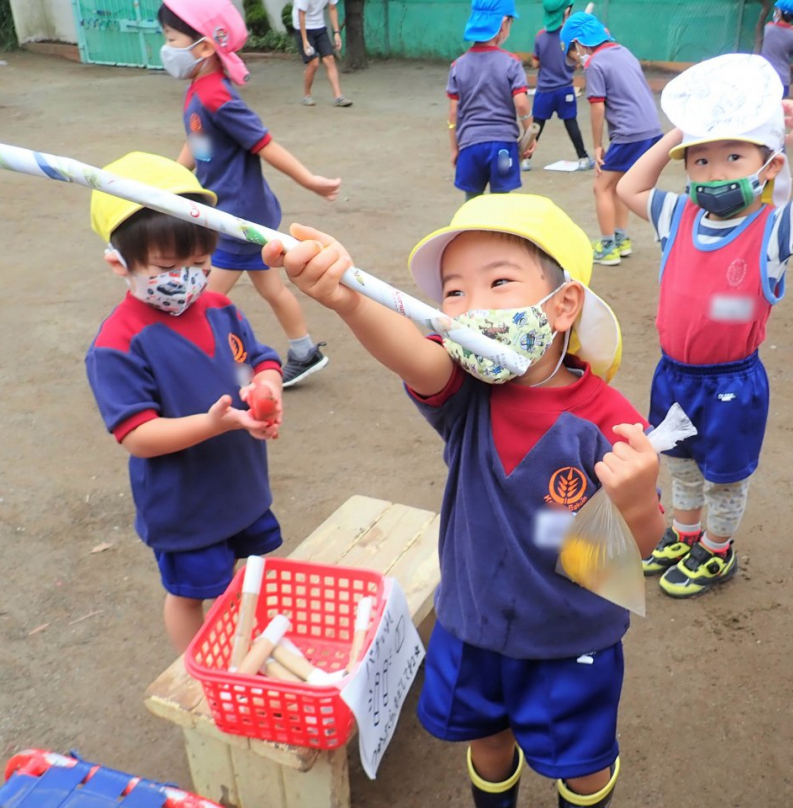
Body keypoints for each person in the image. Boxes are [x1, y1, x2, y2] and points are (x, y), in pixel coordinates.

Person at [263, 193, 663, 808]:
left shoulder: (609, 423)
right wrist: (345, 297)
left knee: (579, 764)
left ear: (563, 305)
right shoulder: (465, 395)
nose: (471, 307)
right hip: (470, 624)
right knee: (487, 737)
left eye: (499, 281)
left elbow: (628, 555)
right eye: (453, 293)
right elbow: (412, 353)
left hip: (569, 641)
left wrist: (636, 503)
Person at [617, 55, 793, 598]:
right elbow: (629, 187)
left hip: (731, 385)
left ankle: (718, 551)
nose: (714, 171)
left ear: (768, 167)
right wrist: (685, 125)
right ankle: (685, 534)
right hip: (673, 375)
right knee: (681, 466)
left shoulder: (773, 229)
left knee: (723, 475)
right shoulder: (678, 217)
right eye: (699, 160)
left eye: (733, 156)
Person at [86, 152, 284, 652]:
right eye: (169, 266)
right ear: (119, 263)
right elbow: (138, 437)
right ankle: (197, 675)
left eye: (200, 263)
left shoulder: (220, 307)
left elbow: (259, 360)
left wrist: (266, 390)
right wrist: (215, 424)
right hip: (185, 507)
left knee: (241, 577)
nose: (189, 277)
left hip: (241, 487)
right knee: (189, 592)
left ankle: (238, 651)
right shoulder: (118, 344)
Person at [159, 0, 339, 387]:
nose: (166, 48)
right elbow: (197, 140)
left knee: (201, 296)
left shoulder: (217, 96)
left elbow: (263, 143)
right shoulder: (198, 88)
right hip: (233, 212)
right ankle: (304, 351)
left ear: (205, 47)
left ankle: (185, 369)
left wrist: (309, 180)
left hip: (239, 218)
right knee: (271, 287)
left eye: (172, 39)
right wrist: (171, 180)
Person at [560, 12, 662, 267]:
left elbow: (597, 107)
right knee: (619, 185)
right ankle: (621, 239)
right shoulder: (623, 52)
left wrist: (597, 146)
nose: (575, 61)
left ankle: (608, 247)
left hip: (629, 134)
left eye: (572, 55)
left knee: (602, 187)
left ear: (578, 44)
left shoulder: (595, 63)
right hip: (651, 130)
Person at [448, 0, 535, 200]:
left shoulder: (458, 65)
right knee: (501, 204)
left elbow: (453, 113)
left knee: (472, 203)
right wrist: (530, 132)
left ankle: (472, 232)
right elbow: (521, 104)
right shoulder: (511, 62)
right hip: (503, 147)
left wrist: (455, 149)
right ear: (503, 23)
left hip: (470, 146)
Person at [523, 0, 592, 173]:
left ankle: (525, 160)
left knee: (536, 125)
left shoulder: (540, 36)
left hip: (544, 90)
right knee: (571, 123)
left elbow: (535, 63)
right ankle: (583, 158)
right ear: (566, 11)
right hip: (565, 90)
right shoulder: (570, 37)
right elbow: (576, 63)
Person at [291, 0, 352, 107]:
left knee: (330, 59)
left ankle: (338, 97)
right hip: (302, 27)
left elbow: (332, 8)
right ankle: (307, 96)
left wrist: (337, 33)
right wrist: (305, 41)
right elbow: (301, 15)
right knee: (314, 63)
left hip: (319, 27)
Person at [761, 0, 793, 97]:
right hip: (782, 80)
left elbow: (780, 29)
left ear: (779, 12)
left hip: (765, 78)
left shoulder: (768, 28)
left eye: (776, 10)